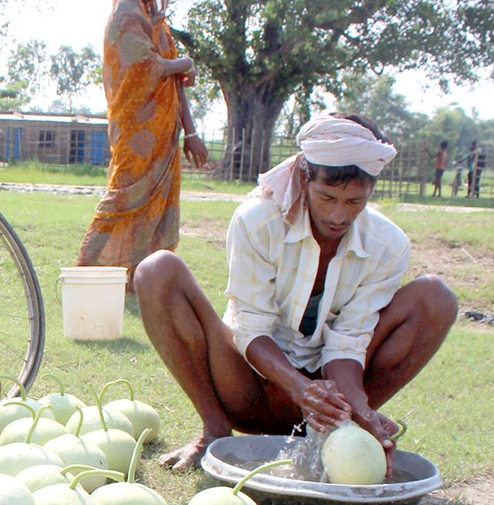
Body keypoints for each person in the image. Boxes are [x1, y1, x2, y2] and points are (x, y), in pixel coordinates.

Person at [132, 113, 458, 472]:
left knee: (436, 297)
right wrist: (297, 387)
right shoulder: (257, 220)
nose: (338, 215)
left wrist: (357, 406)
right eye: (327, 197)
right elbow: (250, 327)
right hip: (245, 385)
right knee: (156, 271)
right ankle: (214, 431)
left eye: (354, 202)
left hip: (322, 397)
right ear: (305, 176)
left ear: (371, 191)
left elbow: (348, 343)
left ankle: (338, 431)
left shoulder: (388, 244)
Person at [75, 0, 208, 284]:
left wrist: (190, 132)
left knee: (159, 205)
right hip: (136, 131)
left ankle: (143, 279)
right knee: (123, 196)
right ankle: (85, 272)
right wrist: (182, 63)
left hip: (165, 131)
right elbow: (144, 66)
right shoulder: (126, 17)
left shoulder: (157, 22)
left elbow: (174, 81)